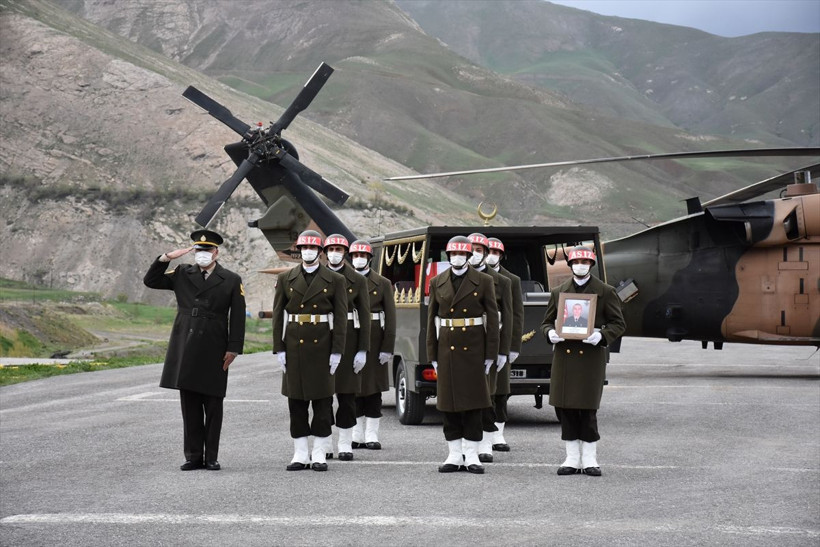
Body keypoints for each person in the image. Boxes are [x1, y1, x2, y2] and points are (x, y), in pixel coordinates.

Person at [143, 229, 246, 471]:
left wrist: (234, 348)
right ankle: (193, 456)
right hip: (186, 342)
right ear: (193, 251)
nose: (203, 254)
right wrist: (166, 257)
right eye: (198, 250)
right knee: (189, 403)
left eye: (208, 250)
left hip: (215, 342)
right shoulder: (181, 272)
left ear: (216, 252)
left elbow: (238, 316)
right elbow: (151, 281)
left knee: (213, 403)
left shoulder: (231, 279)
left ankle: (211, 456)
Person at [539, 246, 626, 477]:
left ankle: (589, 458)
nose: (580, 265)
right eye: (576, 262)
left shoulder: (605, 291)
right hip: (565, 358)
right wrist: (549, 333)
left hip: (589, 358)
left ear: (591, 265)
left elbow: (619, 323)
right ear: (570, 265)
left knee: (587, 409)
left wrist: (602, 335)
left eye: (585, 262)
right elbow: (546, 322)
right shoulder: (559, 292)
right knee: (565, 408)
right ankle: (571, 457)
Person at [272, 230, 347, 472]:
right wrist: (279, 348)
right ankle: (300, 453)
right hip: (294, 345)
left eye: (313, 248)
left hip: (323, 345)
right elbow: (277, 315)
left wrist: (337, 351)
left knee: (323, 404)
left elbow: (342, 318)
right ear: (299, 251)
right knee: (296, 403)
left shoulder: (335, 280)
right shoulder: (286, 278)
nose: (308, 252)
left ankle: (319, 453)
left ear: (320, 252)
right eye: (304, 248)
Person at [426, 235, 499, 474]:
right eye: (453, 254)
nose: (457, 258)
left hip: (474, 348)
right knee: (449, 404)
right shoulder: (437, 281)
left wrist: (491, 354)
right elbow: (431, 321)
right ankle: (454, 454)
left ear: (468, 257)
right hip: (447, 348)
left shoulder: (484, 281)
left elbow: (493, 318)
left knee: (473, 404)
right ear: (448, 257)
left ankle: (472, 454)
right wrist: (433, 355)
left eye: (462, 254)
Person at [323, 234, 370, 461]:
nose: (334, 253)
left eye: (338, 249)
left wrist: (363, 348)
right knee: (322, 397)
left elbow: (365, 316)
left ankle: (344, 442)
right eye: (331, 249)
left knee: (347, 396)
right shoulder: (317, 276)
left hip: (349, 341)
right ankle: (325, 442)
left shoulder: (358, 280)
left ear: (345, 254)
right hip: (321, 340)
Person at [466, 233, 512, 464]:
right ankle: (467, 444)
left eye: (479, 249)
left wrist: (505, 350)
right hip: (465, 346)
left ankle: (486, 443)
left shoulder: (502, 281)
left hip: (490, 345)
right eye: (470, 248)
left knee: (489, 395)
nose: (474, 253)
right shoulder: (458, 278)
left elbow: (509, 318)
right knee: (468, 397)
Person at [349, 239, 396, 451]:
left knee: (373, 389)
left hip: (376, 339)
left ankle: (372, 434)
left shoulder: (383, 283)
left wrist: (387, 347)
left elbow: (391, 318)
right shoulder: (342, 280)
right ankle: (356, 433)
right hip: (351, 337)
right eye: (356, 255)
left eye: (363, 256)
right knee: (354, 388)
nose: (359, 259)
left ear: (370, 258)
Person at [486, 237, 524, 452]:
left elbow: (516, 315)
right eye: (487, 251)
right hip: (478, 342)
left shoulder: (511, 280)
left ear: (501, 255)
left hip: (501, 341)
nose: (491, 254)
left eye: (495, 252)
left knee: (500, 390)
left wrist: (513, 346)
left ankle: (498, 434)